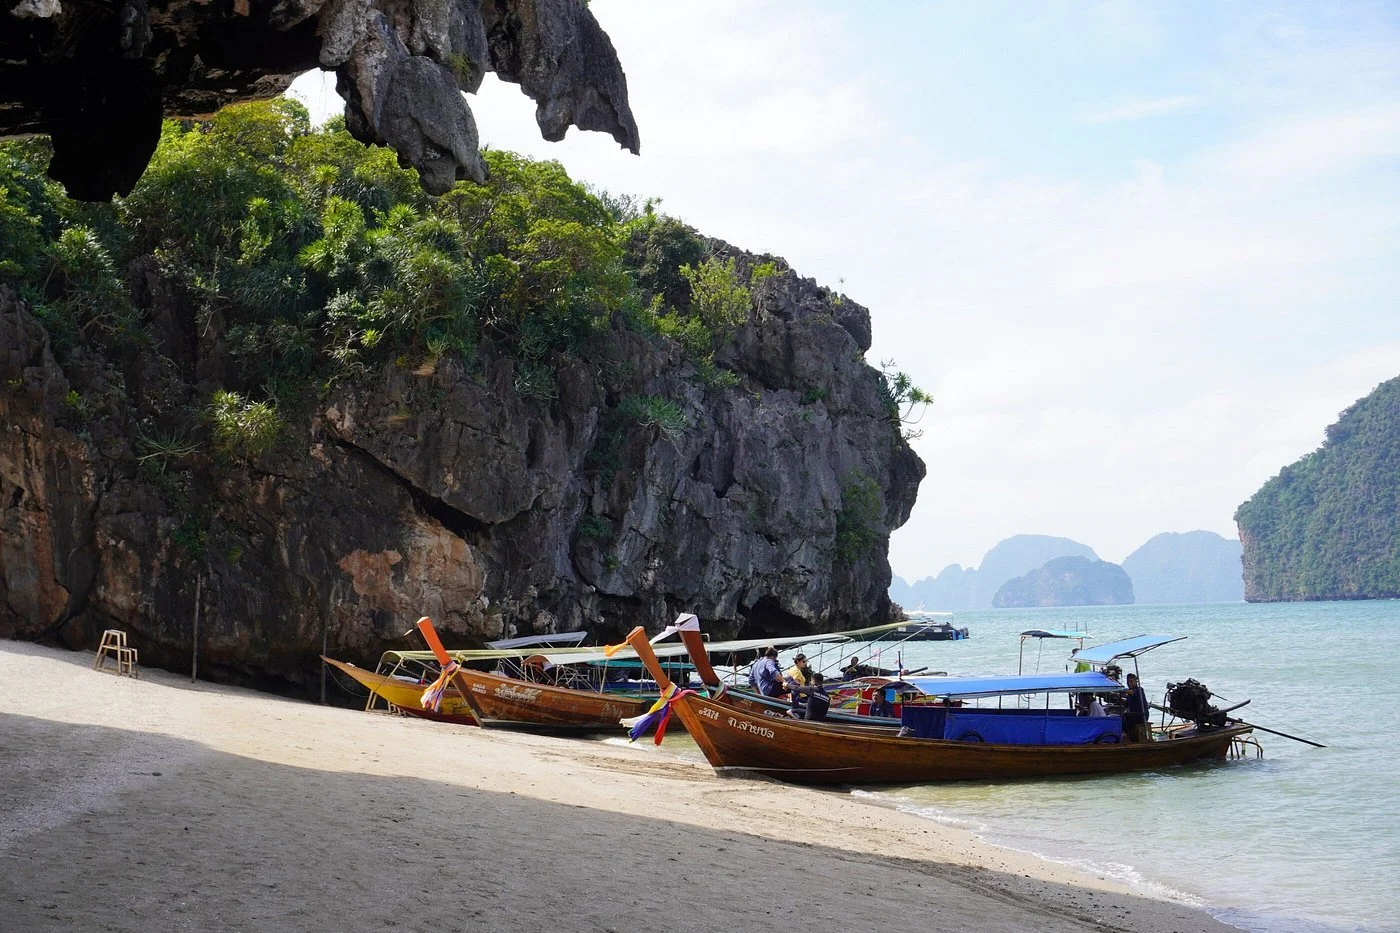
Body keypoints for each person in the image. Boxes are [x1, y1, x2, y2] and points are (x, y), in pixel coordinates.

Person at [1123, 672, 1151, 742]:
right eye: (1128, 682)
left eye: (1131, 681)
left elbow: (1130, 692)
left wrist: (1120, 690)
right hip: (1134, 714)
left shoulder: (1139, 690)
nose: (1129, 683)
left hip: (1141, 715)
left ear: (1136, 681)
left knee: (1125, 717)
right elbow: (1126, 704)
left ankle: (1128, 736)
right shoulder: (1129, 694)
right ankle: (1128, 734)